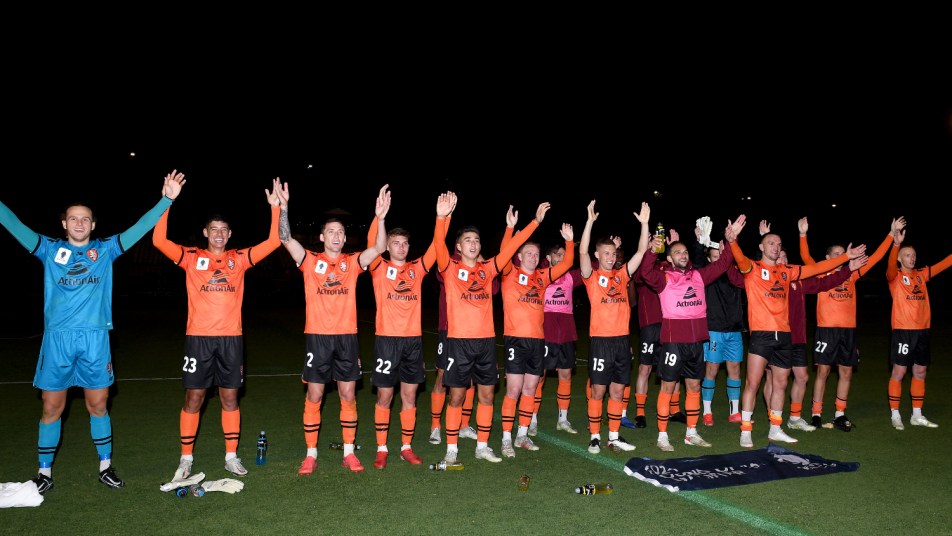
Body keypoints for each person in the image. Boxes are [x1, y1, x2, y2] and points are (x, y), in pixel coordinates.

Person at [0, 170, 185, 493]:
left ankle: (105, 467)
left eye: (85, 219)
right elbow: (13, 223)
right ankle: (44, 473)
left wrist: (166, 200)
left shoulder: (106, 250)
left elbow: (140, 227)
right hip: (57, 340)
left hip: (95, 339)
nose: (79, 223)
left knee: (98, 405)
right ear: (64, 223)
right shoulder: (48, 249)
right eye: (73, 218)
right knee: (51, 408)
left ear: (93, 224)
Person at [154, 176, 280, 481]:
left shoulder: (239, 259)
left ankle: (231, 457)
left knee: (230, 399)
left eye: (224, 230)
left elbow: (274, 242)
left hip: (231, 340)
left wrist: (276, 209)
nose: (219, 234)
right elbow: (158, 241)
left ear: (230, 234)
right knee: (194, 399)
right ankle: (186, 459)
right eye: (214, 230)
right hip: (198, 339)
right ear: (205, 233)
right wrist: (167, 201)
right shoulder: (191, 257)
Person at [278, 183, 390, 474]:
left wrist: (380, 217)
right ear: (321, 237)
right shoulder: (309, 260)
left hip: (346, 338)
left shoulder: (352, 263)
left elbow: (379, 248)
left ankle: (349, 453)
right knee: (314, 396)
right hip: (318, 338)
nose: (337, 236)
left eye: (340, 232)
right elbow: (285, 238)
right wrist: (284, 207)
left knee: (348, 396)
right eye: (331, 232)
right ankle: (311, 454)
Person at [729, 216, 864, 448]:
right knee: (753, 383)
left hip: (784, 336)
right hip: (761, 335)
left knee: (781, 384)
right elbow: (739, 258)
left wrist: (845, 259)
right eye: (771, 243)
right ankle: (746, 430)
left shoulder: (787, 271)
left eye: (779, 244)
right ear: (761, 246)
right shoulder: (752, 268)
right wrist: (732, 241)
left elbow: (817, 269)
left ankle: (775, 429)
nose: (776, 247)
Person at [435, 200, 549, 464]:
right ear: (458, 247)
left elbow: (510, 248)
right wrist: (441, 218)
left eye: (476, 240)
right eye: (467, 240)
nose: (473, 244)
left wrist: (534, 222)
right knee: (457, 396)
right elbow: (438, 244)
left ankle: (483, 446)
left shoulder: (488, 269)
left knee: (486, 395)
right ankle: (451, 449)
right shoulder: (450, 268)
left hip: (486, 343)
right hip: (458, 343)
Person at [364, 191, 455, 469]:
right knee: (385, 396)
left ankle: (406, 446)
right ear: (388, 246)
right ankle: (382, 448)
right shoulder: (378, 266)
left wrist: (442, 217)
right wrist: (378, 217)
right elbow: (372, 243)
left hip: (412, 343)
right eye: (396, 243)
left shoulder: (418, 268)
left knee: (410, 396)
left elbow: (437, 247)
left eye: (405, 243)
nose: (401, 248)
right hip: (386, 341)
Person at [638, 221, 739, 451]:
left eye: (684, 252)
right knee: (668, 386)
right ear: (669, 258)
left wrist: (731, 241)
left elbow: (723, 263)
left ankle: (691, 433)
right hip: (673, 342)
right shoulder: (664, 278)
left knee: (693, 386)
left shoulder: (699, 276)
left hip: (696, 342)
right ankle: (662, 436)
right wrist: (652, 251)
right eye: (677, 252)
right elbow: (644, 272)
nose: (683, 255)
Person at [800, 216, 903, 431]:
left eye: (842, 253)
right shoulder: (821, 272)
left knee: (846, 372)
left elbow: (876, 258)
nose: (841, 257)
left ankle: (839, 413)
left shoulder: (852, 274)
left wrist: (891, 233)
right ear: (827, 258)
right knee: (823, 372)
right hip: (826, 330)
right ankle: (816, 414)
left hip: (848, 332)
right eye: (836, 254)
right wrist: (803, 234)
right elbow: (805, 256)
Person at [765, 238, 866, 433]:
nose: (782, 259)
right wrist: (802, 235)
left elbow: (827, 281)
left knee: (802, 377)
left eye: (785, 256)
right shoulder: (768, 280)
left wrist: (848, 266)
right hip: (775, 335)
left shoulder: (799, 280)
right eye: (778, 256)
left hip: (798, 337)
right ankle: (773, 419)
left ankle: (795, 417)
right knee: (774, 379)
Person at [496, 207, 575, 457]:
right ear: (519, 256)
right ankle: (506, 439)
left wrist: (569, 242)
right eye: (528, 253)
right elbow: (505, 251)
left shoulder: (543, 276)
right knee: (513, 390)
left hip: (538, 341)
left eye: (536, 254)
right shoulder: (509, 273)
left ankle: (522, 435)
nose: (532, 256)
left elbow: (568, 263)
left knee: (530, 389)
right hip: (515, 340)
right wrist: (514, 227)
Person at [578, 200, 650, 454]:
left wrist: (644, 224)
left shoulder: (622, 275)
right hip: (601, 341)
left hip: (621, 341)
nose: (610, 257)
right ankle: (595, 437)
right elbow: (582, 252)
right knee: (598, 391)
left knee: (618, 391)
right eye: (605, 254)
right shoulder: (591, 277)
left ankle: (614, 436)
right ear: (598, 255)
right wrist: (589, 222)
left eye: (613, 254)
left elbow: (641, 252)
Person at [885, 227, 952, 430]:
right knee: (899, 371)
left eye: (914, 255)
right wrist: (896, 244)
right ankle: (895, 414)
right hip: (903, 331)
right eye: (907, 255)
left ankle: (917, 415)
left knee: (920, 371)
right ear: (900, 258)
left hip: (922, 331)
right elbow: (889, 265)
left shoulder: (922, 274)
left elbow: (946, 263)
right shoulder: (895, 276)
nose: (912, 258)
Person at [625, 231, 684, 430]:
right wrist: (648, 249)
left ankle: (675, 410)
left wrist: (674, 246)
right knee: (645, 368)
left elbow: (684, 269)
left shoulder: (668, 265)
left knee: (674, 368)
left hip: (671, 324)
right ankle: (640, 412)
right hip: (650, 325)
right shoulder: (643, 266)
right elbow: (641, 276)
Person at [691, 222, 747, 427]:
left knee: (735, 368)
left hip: (735, 329)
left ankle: (735, 411)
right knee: (712, 370)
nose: (719, 259)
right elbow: (697, 261)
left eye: (722, 256)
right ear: (709, 259)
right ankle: (707, 411)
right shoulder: (705, 274)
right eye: (715, 256)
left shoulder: (735, 274)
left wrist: (732, 243)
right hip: (713, 329)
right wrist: (699, 243)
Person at [527, 241, 584, 436]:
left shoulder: (570, 277)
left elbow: (590, 267)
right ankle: (532, 419)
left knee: (566, 375)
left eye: (564, 255)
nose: (562, 258)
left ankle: (563, 419)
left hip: (566, 333)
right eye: (558, 255)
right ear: (548, 258)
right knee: (539, 376)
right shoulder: (539, 275)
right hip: (545, 333)